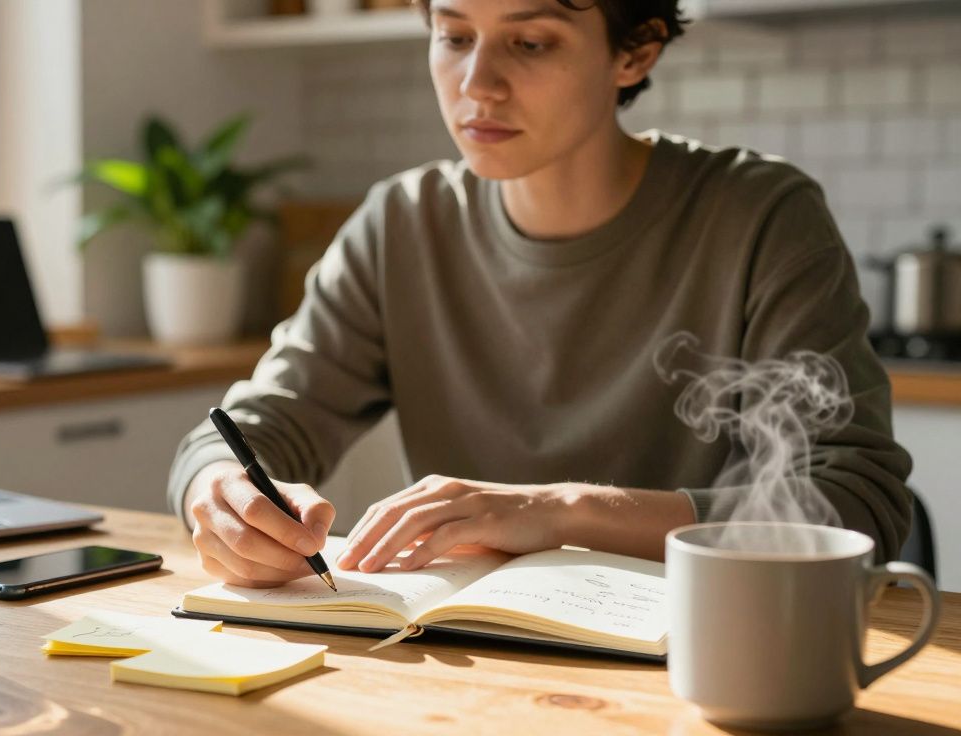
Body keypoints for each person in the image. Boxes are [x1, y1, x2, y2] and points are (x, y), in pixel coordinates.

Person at [167, 0, 912, 588]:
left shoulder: (758, 214)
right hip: (470, 664)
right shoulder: (401, 223)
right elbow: (248, 428)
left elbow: (854, 500)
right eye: (454, 36)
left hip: (707, 657)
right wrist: (220, 489)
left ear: (636, 51)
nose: (476, 84)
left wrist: (558, 511)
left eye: (530, 43)